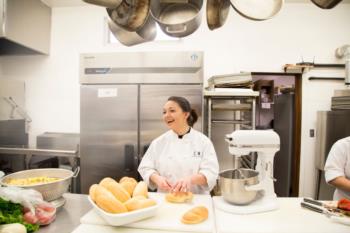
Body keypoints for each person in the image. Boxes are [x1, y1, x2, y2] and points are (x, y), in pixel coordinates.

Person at [138, 96, 219, 194]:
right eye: (164, 112)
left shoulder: (203, 141)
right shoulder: (159, 142)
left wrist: (190, 180)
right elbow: (145, 168)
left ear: (186, 114)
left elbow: (211, 172)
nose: (167, 115)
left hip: (196, 199)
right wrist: (157, 179)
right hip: (166, 198)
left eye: (172, 111)